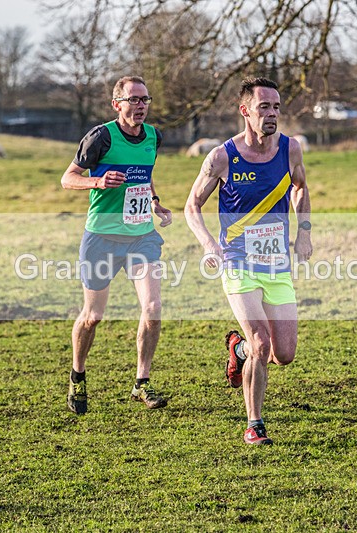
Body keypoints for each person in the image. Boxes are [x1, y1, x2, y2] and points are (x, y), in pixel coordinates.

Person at [185, 77, 312, 444]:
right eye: (263, 107)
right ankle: (254, 424)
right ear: (245, 111)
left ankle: (236, 350)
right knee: (262, 344)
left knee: (284, 353)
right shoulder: (223, 156)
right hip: (238, 262)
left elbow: (301, 186)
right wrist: (209, 244)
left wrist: (303, 230)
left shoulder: (291, 149)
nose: (272, 114)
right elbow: (192, 205)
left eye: (276, 107)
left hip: (276, 264)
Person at [60, 75, 172, 414]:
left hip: (141, 236)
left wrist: (154, 201)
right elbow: (68, 178)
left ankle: (142, 382)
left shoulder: (154, 136)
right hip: (102, 237)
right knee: (93, 316)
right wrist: (98, 180)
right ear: (117, 104)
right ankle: (78, 375)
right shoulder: (100, 137)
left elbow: (144, 172)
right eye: (133, 100)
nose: (140, 106)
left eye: (145, 100)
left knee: (152, 307)